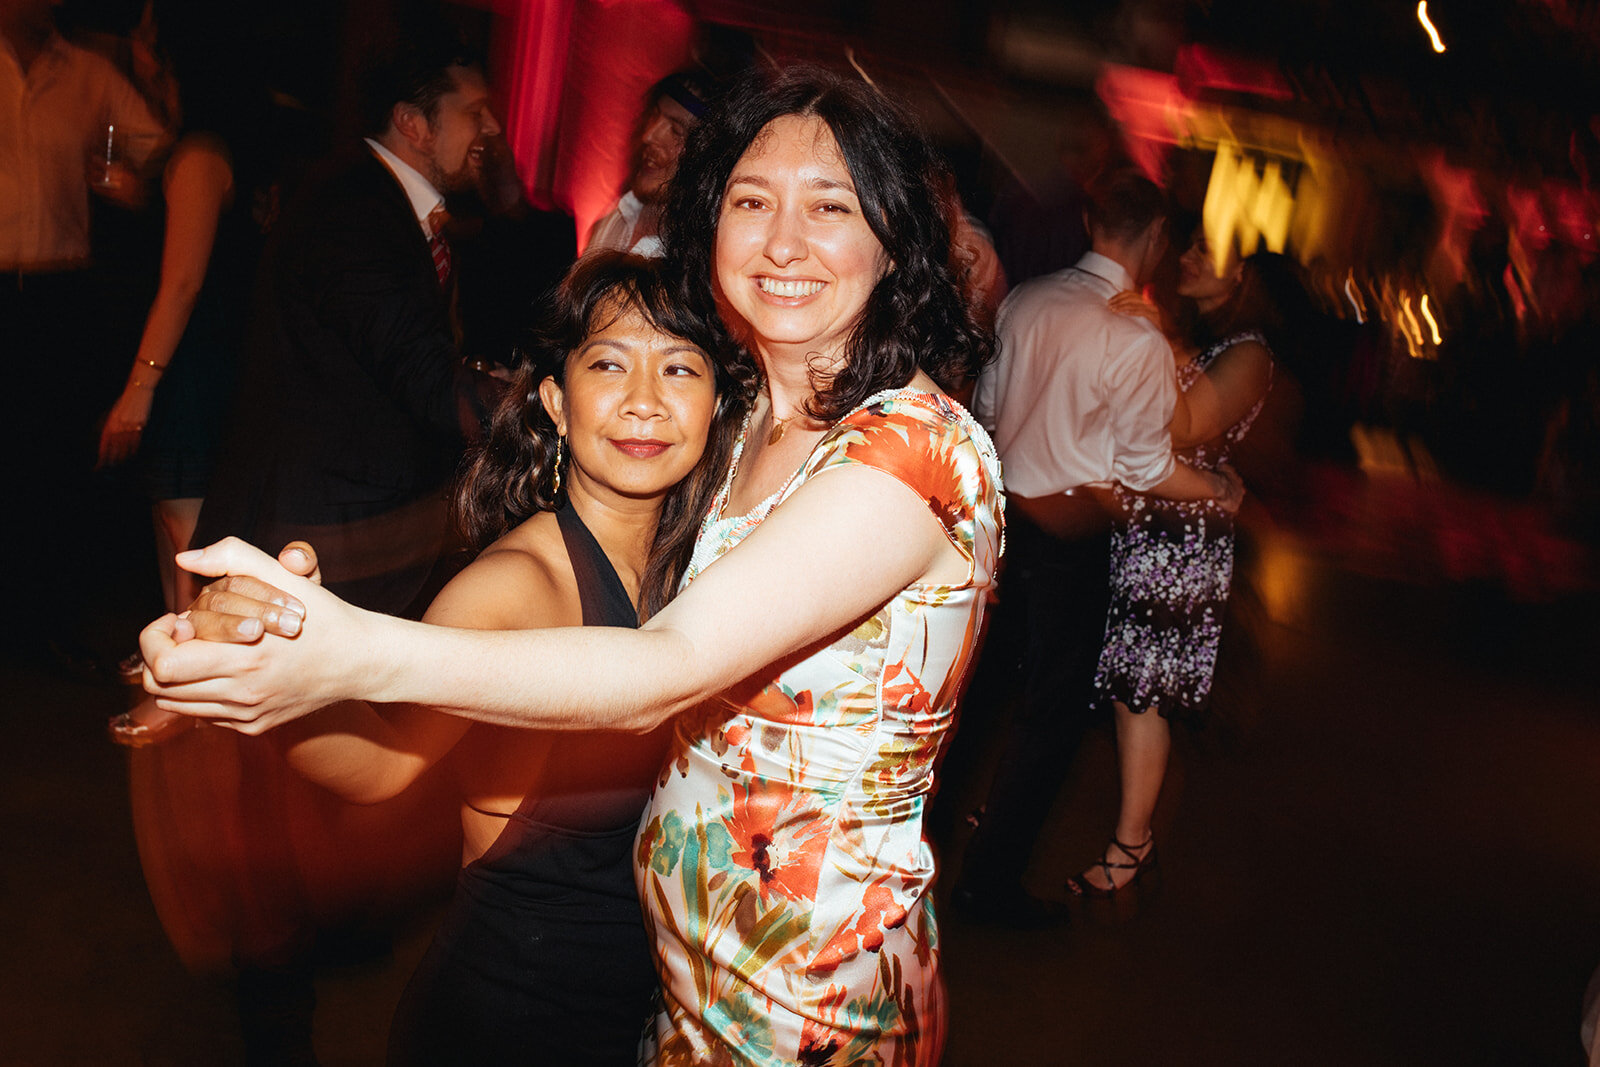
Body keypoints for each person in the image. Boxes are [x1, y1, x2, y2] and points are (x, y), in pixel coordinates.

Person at [144, 63, 998, 1064]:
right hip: (678, 999)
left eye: (830, 206)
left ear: (894, 238)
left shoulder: (912, 446)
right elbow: (386, 759)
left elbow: (663, 668)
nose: (781, 242)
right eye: (751, 201)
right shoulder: (747, 438)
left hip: (805, 1009)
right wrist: (272, 658)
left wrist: (347, 651)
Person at [212, 254, 738, 1063]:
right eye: (608, 363)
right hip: (512, 1025)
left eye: (679, 367)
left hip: (640, 1020)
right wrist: (282, 674)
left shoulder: (700, 568)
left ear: (716, 403)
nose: (644, 400)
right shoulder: (512, 589)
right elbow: (377, 766)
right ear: (557, 404)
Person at [953, 170, 1242, 926]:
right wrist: (1218, 493)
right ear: (1154, 239)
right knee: (1047, 721)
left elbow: (985, 408)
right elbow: (1148, 466)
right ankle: (990, 887)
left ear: (1091, 220)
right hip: (1069, 538)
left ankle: (927, 837)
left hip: (1002, 524)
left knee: (977, 697)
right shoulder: (1134, 336)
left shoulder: (1029, 298)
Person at [189, 35, 506, 618]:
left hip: (357, 519)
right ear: (412, 123)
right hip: (320, 529)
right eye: (473, 112)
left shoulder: (387, 201)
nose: (491, 127)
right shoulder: (351, 212)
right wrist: (546, 410)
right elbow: (419, 370)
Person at [1066, 234, 1275, 902]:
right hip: (1135, 525)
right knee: (1114, 682)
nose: (1187, 257)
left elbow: (1183, 425)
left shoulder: (1250, 352)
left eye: (1207, 251)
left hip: (1181, 541)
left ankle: (1132, 844)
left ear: (1241, 272)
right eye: (1186, 245)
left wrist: (1154, 339)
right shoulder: (1181, 334)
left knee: (1141, 692)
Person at [584, 71, 715, 258]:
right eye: (654, 117)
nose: (649, 135)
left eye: (676, 131)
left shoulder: (695, 261)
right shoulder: (615, 219)